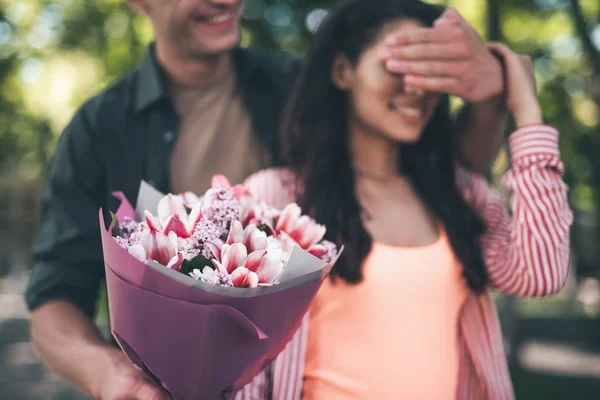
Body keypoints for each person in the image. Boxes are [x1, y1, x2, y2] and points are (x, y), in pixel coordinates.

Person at [25, 0, 511, 399]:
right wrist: (110, 374)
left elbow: (437, 173)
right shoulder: (98, 130)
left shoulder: (299, 87)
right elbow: (54, 297)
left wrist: (490, 98)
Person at [240, 0, 574, 398]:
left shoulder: (459, 194)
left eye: (429, 72)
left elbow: (541, 273)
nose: (416, 87)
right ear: (343, 70)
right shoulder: (276, 198)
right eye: (399, 65)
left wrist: (527, 109)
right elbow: (244, 364)